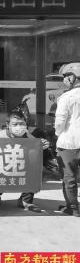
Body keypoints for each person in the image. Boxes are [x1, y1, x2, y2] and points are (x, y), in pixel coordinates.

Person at [0, 110, 46, 213]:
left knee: (36, 167)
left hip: (20, 168)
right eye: (15, 124)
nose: (19, 127)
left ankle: (25, 200)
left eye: (21, 123)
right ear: (7, 125)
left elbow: (36, 152)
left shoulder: (29, 137)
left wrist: (42, 146)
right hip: (3, 169)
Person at [54, 62, 80, 217]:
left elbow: (60, 123)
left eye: (65, 76)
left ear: (73, 77)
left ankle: (73, 208)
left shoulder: (66, 97)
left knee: (69, 177)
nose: (64, 79)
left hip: (69, 143)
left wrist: (57, 134)